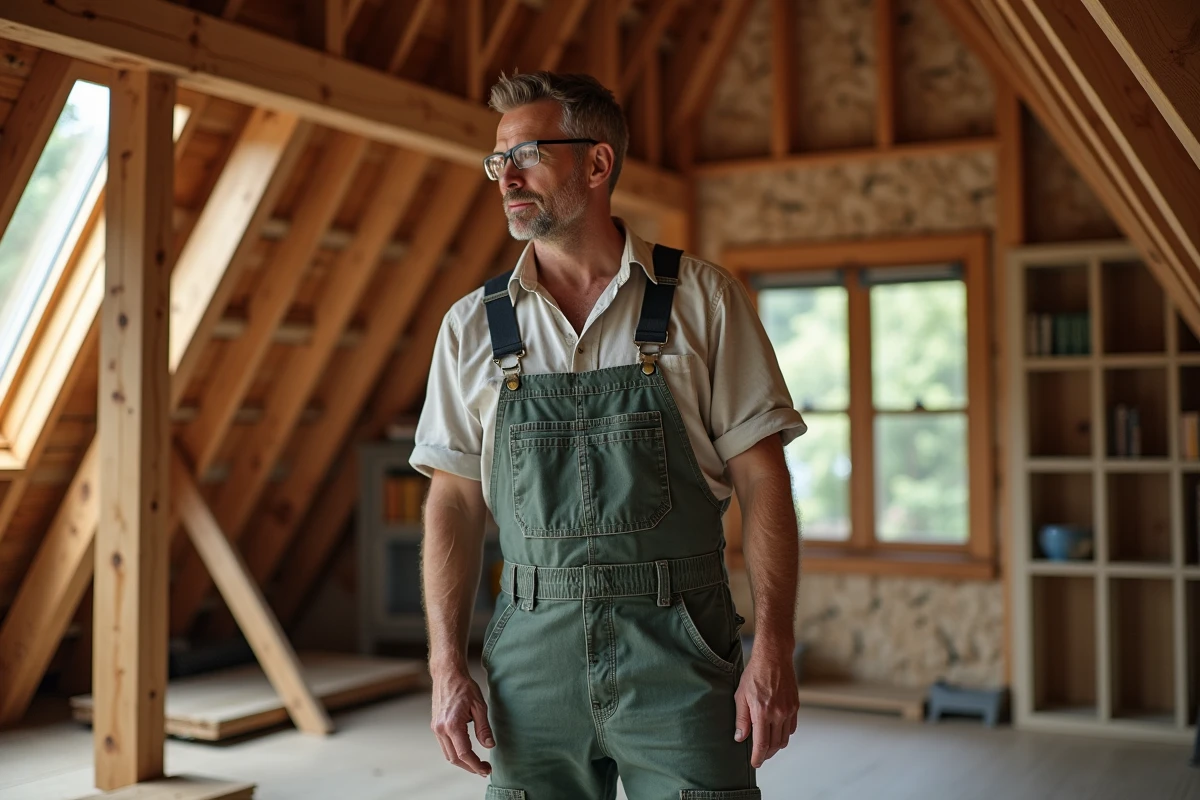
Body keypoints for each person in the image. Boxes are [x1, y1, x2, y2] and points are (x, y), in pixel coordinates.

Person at [410, 71, 806, 800]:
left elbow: (763, 478)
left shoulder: (703, 300)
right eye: (498, 160)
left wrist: (774, 646)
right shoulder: (472, 326)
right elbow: (453, 504)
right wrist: (445, 666)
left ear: (598, 163)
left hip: (680, 643)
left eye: (527, 153)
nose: (507, 177)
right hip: (531, 654)